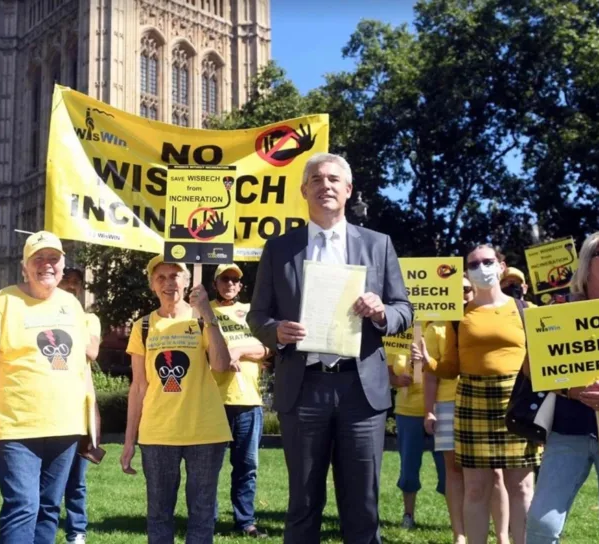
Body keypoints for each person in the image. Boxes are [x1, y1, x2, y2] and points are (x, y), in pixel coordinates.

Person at [247, 152, 413, 544]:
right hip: (304, 388)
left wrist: (380, 313)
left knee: (363, 505)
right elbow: (257, 316)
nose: (326, 186)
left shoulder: (378, 244)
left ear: (348, 189)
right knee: (303, 503)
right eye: (317, 180)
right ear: (304, 190)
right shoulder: (279, 248)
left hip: (361, 390)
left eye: (334, 180)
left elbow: (403, 309)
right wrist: (276, 331)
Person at [0, 230, 95, 544]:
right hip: (17, 427)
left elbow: (81, 365)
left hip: (66, 426)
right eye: (37, 258)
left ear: (63, 265)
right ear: (24, 267)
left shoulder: (71, 304)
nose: (46, 265)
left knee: (49, 507)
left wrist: (90, 420)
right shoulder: (5, 301)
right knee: (23, 505)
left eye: (53, 258)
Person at [414, 245, 541, 544]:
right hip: (472, 399)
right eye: (473, 264)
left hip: (517, 402)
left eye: (487, 261)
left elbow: (541, 361)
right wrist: (427, 362)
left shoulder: (527, 310)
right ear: (466, 271)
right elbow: (450, 367)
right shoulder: (458, 317)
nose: (480, 267)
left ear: (501, 265)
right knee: (475, 489)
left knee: (521, 488)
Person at [121, 256, 232, 544]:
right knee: (158, 514)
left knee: (202, 512)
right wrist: (129, 440)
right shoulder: (143, 326)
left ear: (187, 281)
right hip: (158, 433)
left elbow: (221, 364)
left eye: (176, 275)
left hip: (205, 432)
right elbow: (138, 388)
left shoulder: (202, 319)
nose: (169, 282)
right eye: (162, 277)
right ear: (152, 285)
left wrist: (207, 312)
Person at [526, 231, 599, 543]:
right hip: (567, 430)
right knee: (542, 523)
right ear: (586, 260)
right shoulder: (557, 307)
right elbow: (532, 368)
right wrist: (569, 390)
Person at [422, 276, 511, 544]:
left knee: (496, 471)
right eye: (455, 290)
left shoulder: (490, 318)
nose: (461, 294)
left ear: (474, 291)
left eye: (466, 289)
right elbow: (430, 374)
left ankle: (503, 536)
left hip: (486, 402)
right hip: (448, 404)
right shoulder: (435, 325)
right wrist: (429, 410)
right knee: (454, 471)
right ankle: (460, 534)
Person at [209, 263, 271, 538]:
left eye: (235, 280)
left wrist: (237, 349)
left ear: (241, 286)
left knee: (247, 466)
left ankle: (245, 521)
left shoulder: (250, 312)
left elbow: (268, 348)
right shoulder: (204, 311)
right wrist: (224, 355)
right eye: (225, 279)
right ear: (216, 282)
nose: (230, 284)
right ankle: (205, 520)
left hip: (248, 401)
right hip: (212, 400)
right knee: (208, 468)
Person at [57, 267, 102, 544]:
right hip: (47, 404)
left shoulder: (89, 319)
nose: (71, 287)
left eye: (75, 283)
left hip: (80, 404)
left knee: (77, 474)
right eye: (66, 282)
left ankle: (77, 531)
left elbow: (91, 351)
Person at [388, 341, 445, 530]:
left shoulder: (443, 326)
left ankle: (457, 520)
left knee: (449, 471)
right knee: (409, 468)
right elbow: (383, 371)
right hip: (407, 412)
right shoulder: (398, 331)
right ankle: (408, 515)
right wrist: (396, 380)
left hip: (442, 409)